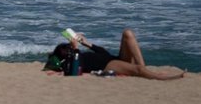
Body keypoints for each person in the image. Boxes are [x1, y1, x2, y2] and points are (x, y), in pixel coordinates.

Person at [49, 28, 185, 80]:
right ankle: (164, 77)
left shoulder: (81, 54)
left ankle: (143, 67)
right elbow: (73, 72)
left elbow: (103, 52)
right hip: (110, 65)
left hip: (115, 59)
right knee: (138, 70)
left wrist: (87, 43)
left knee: (128, 33)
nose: (70, 47)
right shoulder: (74, 60)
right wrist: (76, 49)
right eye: (67, 48)